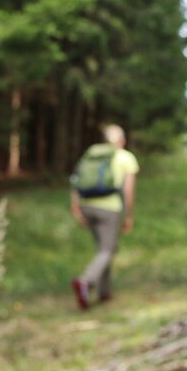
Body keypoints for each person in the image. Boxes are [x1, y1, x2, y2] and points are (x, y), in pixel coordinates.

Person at [70, 124, 139, 310]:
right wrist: (129, 214)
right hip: (110, 208)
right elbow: (128, 189)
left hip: (87, 206)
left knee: (103, 249)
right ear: (122, 141)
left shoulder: (91, 153)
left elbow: (76, 179)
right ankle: (86, 282)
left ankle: (104, 292)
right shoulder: (125, 157)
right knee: (107, 250)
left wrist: (75, 206)